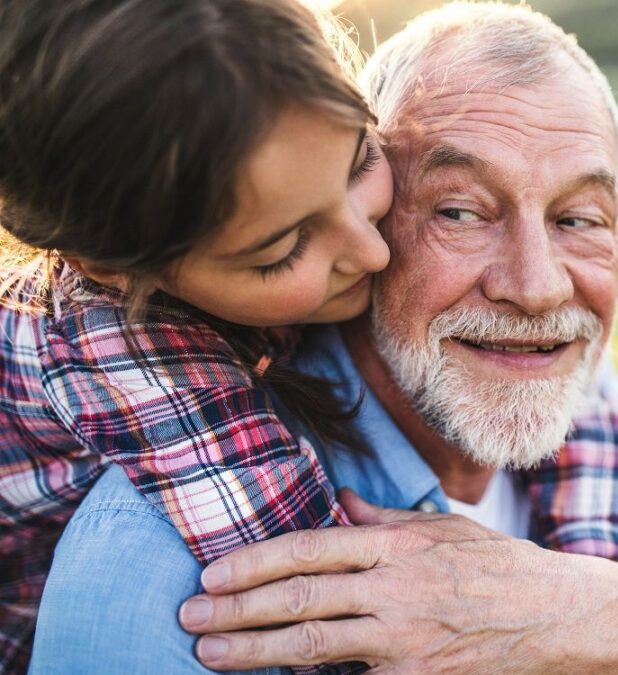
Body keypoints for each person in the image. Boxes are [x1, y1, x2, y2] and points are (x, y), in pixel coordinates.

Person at [30, 3, 618, 674]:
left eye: (582, 218)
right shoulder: (163, 556)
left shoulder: (605, 419)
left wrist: (571, 609)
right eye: (462, 210)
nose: (538, 286)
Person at [0, 1, 393, 670]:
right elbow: (337, 617)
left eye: (360, 164)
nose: (372, 251)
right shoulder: (116, 350)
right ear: (116, 267)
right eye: (285, 248)